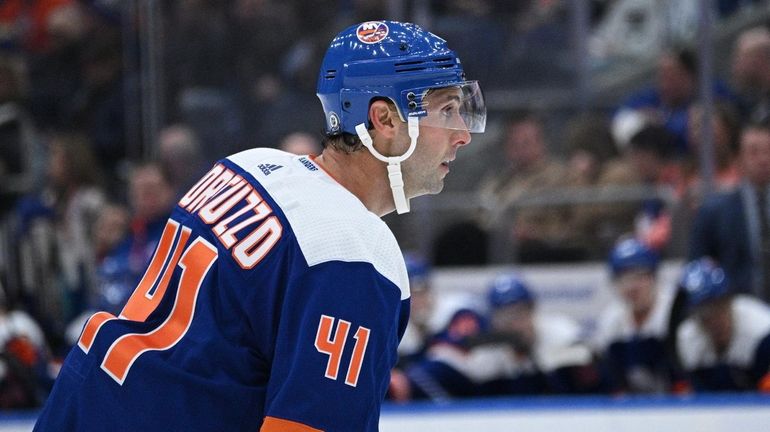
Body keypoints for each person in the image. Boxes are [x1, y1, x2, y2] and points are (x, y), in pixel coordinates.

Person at [34, 20, 486, 431]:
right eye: (446, 110)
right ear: (384, 119)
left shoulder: (248, 165)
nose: (463, 133)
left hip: (80, 407)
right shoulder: (353, 253)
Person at [689, 119, 770, 302]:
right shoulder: (715, 211)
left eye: (768, 151)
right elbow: (697, 267)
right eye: (754, 152)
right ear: (738, 160)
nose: (764, 160)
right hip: (738, 308)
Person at [593, 238, 681, 394]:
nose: (632, 287)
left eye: (639, 277)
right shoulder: (612, 319)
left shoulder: (674, 310)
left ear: (654, 277)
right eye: (624, 279)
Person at [676, 258, 770, 392]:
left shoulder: (762, 330)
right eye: (705, 313)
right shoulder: (687, 338)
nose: (714, 320)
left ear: (730, 300)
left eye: (719, 306)